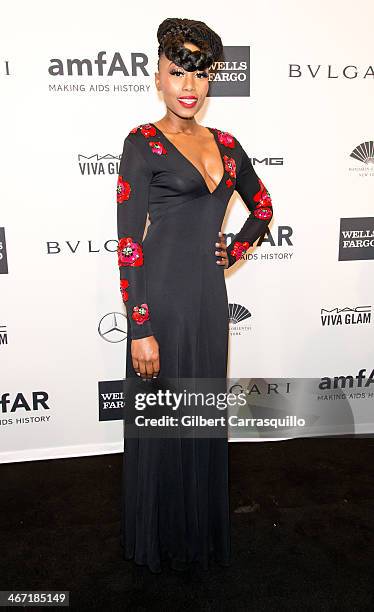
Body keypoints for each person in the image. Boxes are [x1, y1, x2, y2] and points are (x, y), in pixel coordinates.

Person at [116, 18, 273, 574]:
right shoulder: (143, 143)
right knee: (161, 420)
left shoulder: (228, 145)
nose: (189, 85)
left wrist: (235, 250)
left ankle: (198, 531)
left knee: (201, 414)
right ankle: (156, 538)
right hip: (158, 298)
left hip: (208, 300)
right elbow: (130, 244)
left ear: (211, 81)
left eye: (200, 74)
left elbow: (263, 207)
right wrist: (139, 328)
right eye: (177, 71)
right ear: (157, 76)